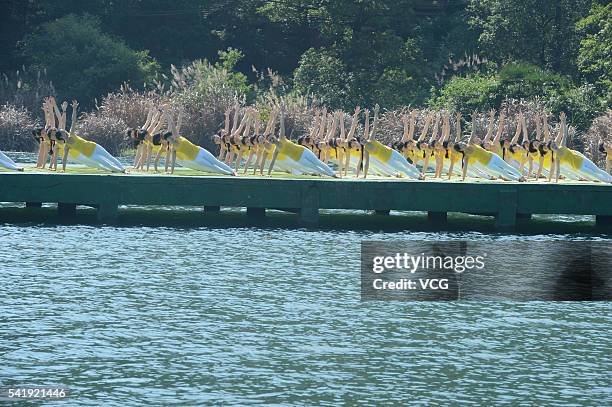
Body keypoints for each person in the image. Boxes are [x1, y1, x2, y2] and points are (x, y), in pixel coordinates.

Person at [52, 101, 126, 172]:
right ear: (61, 137)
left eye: (64, 131)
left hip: (95, 146)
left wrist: (74, 109)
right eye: (63, 132)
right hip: (90, 155)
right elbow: (64, 159)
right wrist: (63, 169)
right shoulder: (67, 146)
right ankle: (120, 171)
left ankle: (123, 169)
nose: (65, 131)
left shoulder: (71, 134)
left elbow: (73, 121)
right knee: (106, 163)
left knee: (110, 157)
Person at [163, 109, 236, 176]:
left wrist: (167, 115)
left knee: (216, 162)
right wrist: (171, 172)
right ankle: (229, 173)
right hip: (196, 159)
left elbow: (172, 125)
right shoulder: (173, 149)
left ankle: (232, 171)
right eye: (169, 138)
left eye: (171, 136)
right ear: (167, 140)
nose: (171, 138)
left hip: (200, 151)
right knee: (212, 166)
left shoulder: (178, 138)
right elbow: (173, 161)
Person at [267, 107, 335, 177]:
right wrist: (268, 174)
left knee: (318, 162)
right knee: (314, 167)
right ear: (270, 142)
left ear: (274, 136)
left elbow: (282, 126)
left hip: (303, 150)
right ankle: (331, 175)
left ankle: (332, 174)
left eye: (272, 138)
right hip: (299, 159)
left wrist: (282, 113)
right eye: (270, 140)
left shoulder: (282, 138)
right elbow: (272, 162)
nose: (272, 140)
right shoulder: (277, 150)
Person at [549, 112, 611, 183]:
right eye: (553, 146)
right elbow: (558, 170)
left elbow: (565, 134)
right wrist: (556, 181)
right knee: (594, 175)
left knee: (597, 170)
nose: (555, 146)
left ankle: (611, 179)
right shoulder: (557, 157)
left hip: (582, 160)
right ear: (552, 149)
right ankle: (608, 183)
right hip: (579, 167)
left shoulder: (562, 147)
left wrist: (563, 121)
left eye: (554, 144)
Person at [362, 105, 420, 179]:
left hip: (392, 152)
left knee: (407, 164)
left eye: (363, 139)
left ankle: (420, 174)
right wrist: (364, 176)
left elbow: (375, 126)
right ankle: (417, 177)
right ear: (361, 143)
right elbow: (366, 163)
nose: (363, 141)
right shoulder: (366, 149)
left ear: (365, 138)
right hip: (387, 160)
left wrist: (376, 113)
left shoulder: (371, 139)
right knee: (403, 169)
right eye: (361, 141)